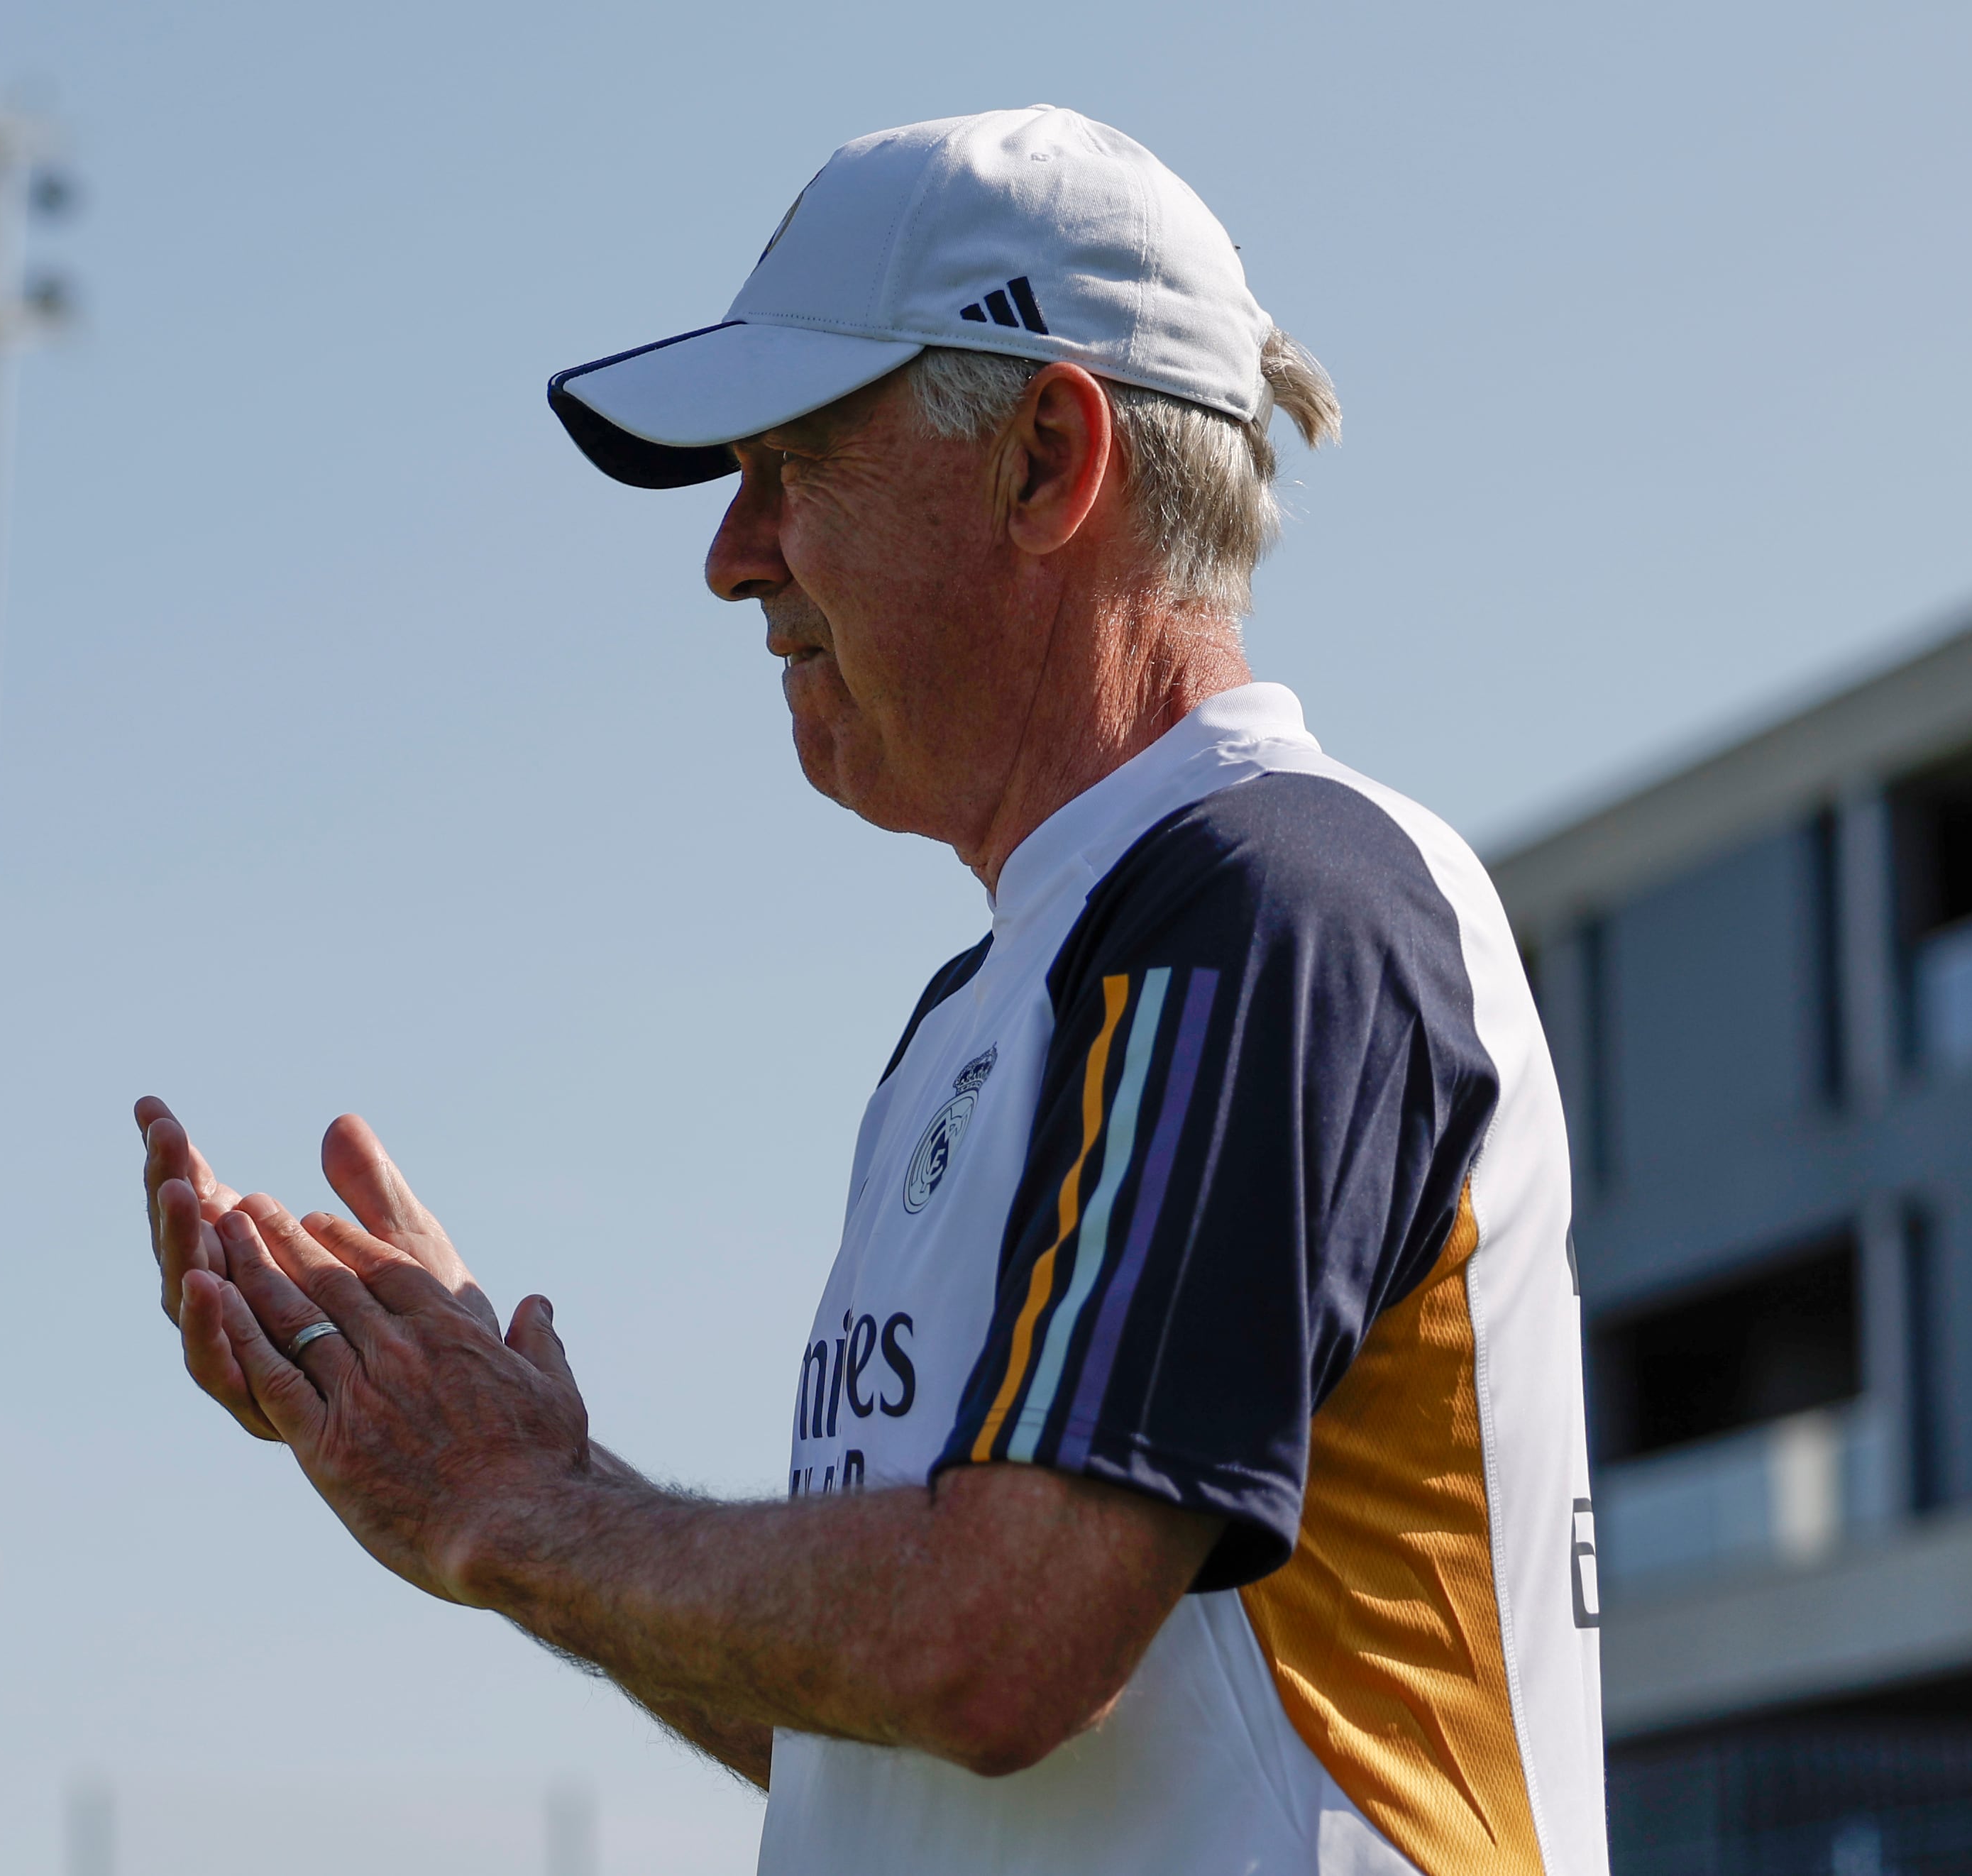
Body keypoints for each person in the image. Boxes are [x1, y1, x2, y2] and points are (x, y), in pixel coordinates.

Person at [138, 104, 1607, 1876]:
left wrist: (513, 1506)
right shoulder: (990, 1007)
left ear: (1046, 461)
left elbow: (1003, 1645)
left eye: (796, 465)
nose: (731, 552)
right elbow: (896, 1737)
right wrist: (521, 1482)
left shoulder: (1274, 897)